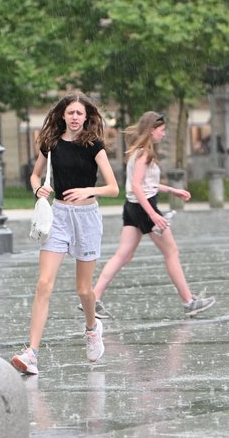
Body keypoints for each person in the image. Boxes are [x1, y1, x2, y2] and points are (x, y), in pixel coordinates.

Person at [11, 92, 120, 375]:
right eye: (70, 112)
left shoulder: (93, 145)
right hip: (58, 217)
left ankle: (92, 328)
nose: (74, 117)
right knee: (43, 284)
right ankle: (31, 353)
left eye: (79, 114)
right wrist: (38, 189)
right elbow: (35, 175)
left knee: (84, 289)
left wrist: (88, 190)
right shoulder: (51, 143)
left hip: (86, 218)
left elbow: (113, 188)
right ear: (62, 115)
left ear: (86, 117)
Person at [88, 111, 215, 320]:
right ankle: (188, 302)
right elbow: (138, 186)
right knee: (171, 252)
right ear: (151, 130)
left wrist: (171, 190)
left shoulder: (138, 152)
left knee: (124, 254)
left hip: (132, 207)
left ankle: (93, 298)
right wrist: (153, 215)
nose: (164, 134)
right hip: (143, 207)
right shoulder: (145, 154)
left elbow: (144, 183)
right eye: (162, 130)